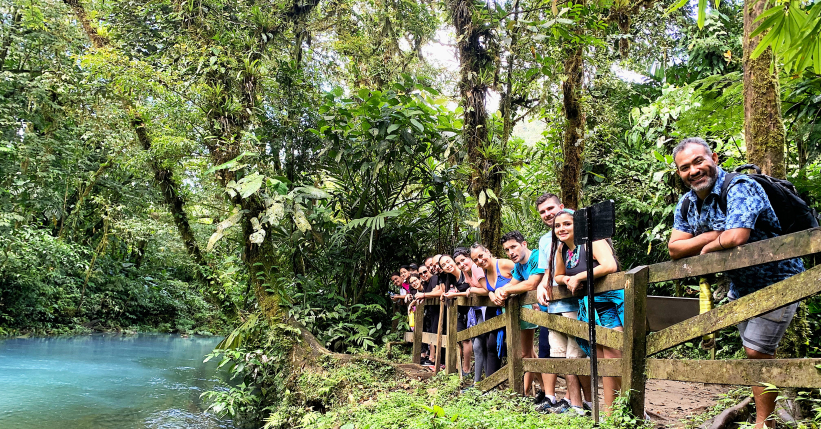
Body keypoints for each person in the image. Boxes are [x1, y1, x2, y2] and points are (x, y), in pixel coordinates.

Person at [669, 137, 804, 429]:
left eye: (698, 161)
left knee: (757, 352)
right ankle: (764, 417)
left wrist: (714, 240)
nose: (693, 170)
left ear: (714, 158)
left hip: (779, 280)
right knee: (755, 351)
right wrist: (710, 239)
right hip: (740, 288)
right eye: (684, 168)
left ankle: (763, 423)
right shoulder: (688, 202)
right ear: (679, 174)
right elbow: (674, 248)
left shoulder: (742, 187)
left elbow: (737, 236)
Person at [549, 209, 621, 414]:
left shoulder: (592, 241)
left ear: (578, 225)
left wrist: (578, 277)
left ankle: (632, 409)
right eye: (558, 225)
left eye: (567, 224)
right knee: (602, 363)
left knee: (615, 359)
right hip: (588, 310)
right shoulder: (562, 250)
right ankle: (609, 413)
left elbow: (609, 265)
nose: (561, 228)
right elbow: (558, 275)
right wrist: (567, 279)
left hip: (609, 305)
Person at [534, 193, 588, 414]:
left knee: (576, 355)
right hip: (556, 304)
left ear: (562, 207)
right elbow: (549, 271)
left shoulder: (580, 227)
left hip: (578, 303)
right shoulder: (546, 240)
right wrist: (540, 286)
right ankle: (571, 401)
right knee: (561, 356)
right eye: (543, 212)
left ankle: (581, 402)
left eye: (550, 209)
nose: (547, 214)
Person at [492, 231, 544, 396]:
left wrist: (505, 291)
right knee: (530, 353)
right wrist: (499, 291)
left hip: (553, 310)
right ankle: (544, 391)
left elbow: (531, 284)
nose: (510, 252)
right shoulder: (520, 266)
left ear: (524, 244)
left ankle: (524, 392)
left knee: (530, 353)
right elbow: (513, 284)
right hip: (539, 312)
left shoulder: (537, 257)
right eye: (507, 250)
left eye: (513, 247)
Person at [469, 243, 511, 378]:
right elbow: (488, 289)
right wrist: (491, 293)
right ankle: (491, 385)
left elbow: (524, 276)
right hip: (496, 311)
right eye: (476, 260)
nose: (480, 261)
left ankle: (524, 388)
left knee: (522, 350)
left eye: (481, 256)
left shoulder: (504, 264)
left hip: (513, 310)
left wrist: (506, 290)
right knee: (491, 345)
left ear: (487, 252)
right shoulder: (484, 271)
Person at [453, 247, 490, 384]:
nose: (462, 264)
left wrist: (471, 289)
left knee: (482, 346)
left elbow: (486, 289)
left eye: (463, 260)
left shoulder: (475, 268)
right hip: (477, 311)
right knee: (478, 346)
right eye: (458, 263)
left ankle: (483, 382)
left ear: (469, 258)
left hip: (486, 309)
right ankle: (478, 382)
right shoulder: (466, 272)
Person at [439, 254, 474, 377]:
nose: (447, 265)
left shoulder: (466, 272)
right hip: (459, 312)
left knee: (466, 339)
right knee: (458, 340)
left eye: (448, 262)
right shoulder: (450, 279)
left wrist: (456, 295)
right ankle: (457, 367)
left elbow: (472, 290)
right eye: (443, 265)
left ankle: (467, 367)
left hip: (471, 311)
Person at [417, 265, 445, 365]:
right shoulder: (426, 283)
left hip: (439, 309)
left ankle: (435, 358)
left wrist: (424, 295)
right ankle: (432, 358)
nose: (423, 275)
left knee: (436, 332)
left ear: (429, 270)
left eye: (425, 272)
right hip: (432, 311)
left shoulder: (434, 278)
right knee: (432, 332)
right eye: (420, 274)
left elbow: (437, 291)